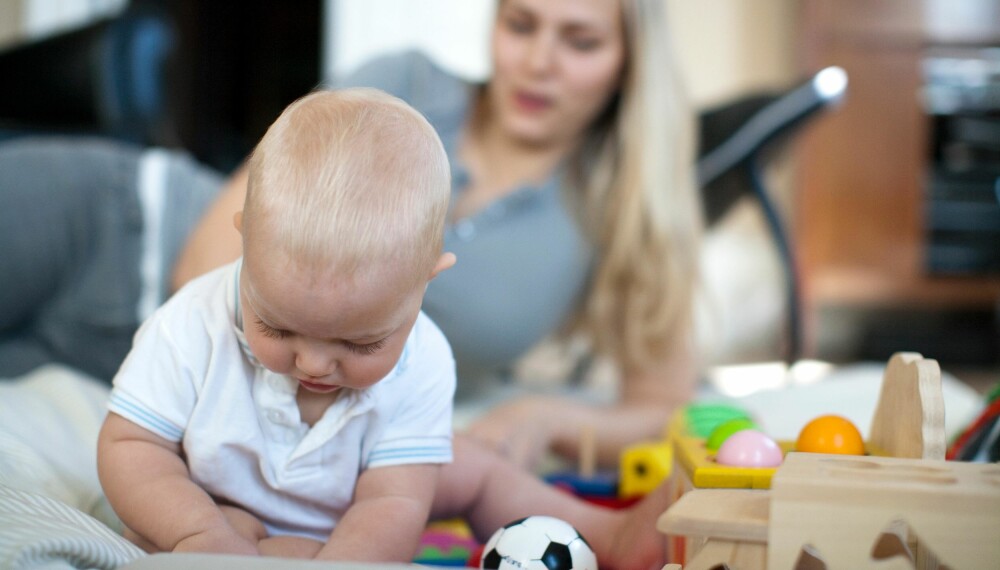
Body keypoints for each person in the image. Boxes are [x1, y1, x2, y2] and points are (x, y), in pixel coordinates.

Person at [173, 0, 703, 470]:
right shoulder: (401, 85)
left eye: (581, 41)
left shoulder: (624, 210)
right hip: (135, 228)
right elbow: (201, 265)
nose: (539, 63)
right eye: (520, 25)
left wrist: (544, 417)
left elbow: (664, 407)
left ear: (630, 60)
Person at [98, 88, 459, 562]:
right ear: (246, 238)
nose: (312, 362)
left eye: (360, 343)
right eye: (277, 328)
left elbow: (393, 501)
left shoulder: (426, 361)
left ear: (426, 279)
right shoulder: (191, 325)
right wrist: (198, 534)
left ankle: (571, 519)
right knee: (154, 531)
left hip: (333, 536)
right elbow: (130, 444)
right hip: (208, 508)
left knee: (478, 474)